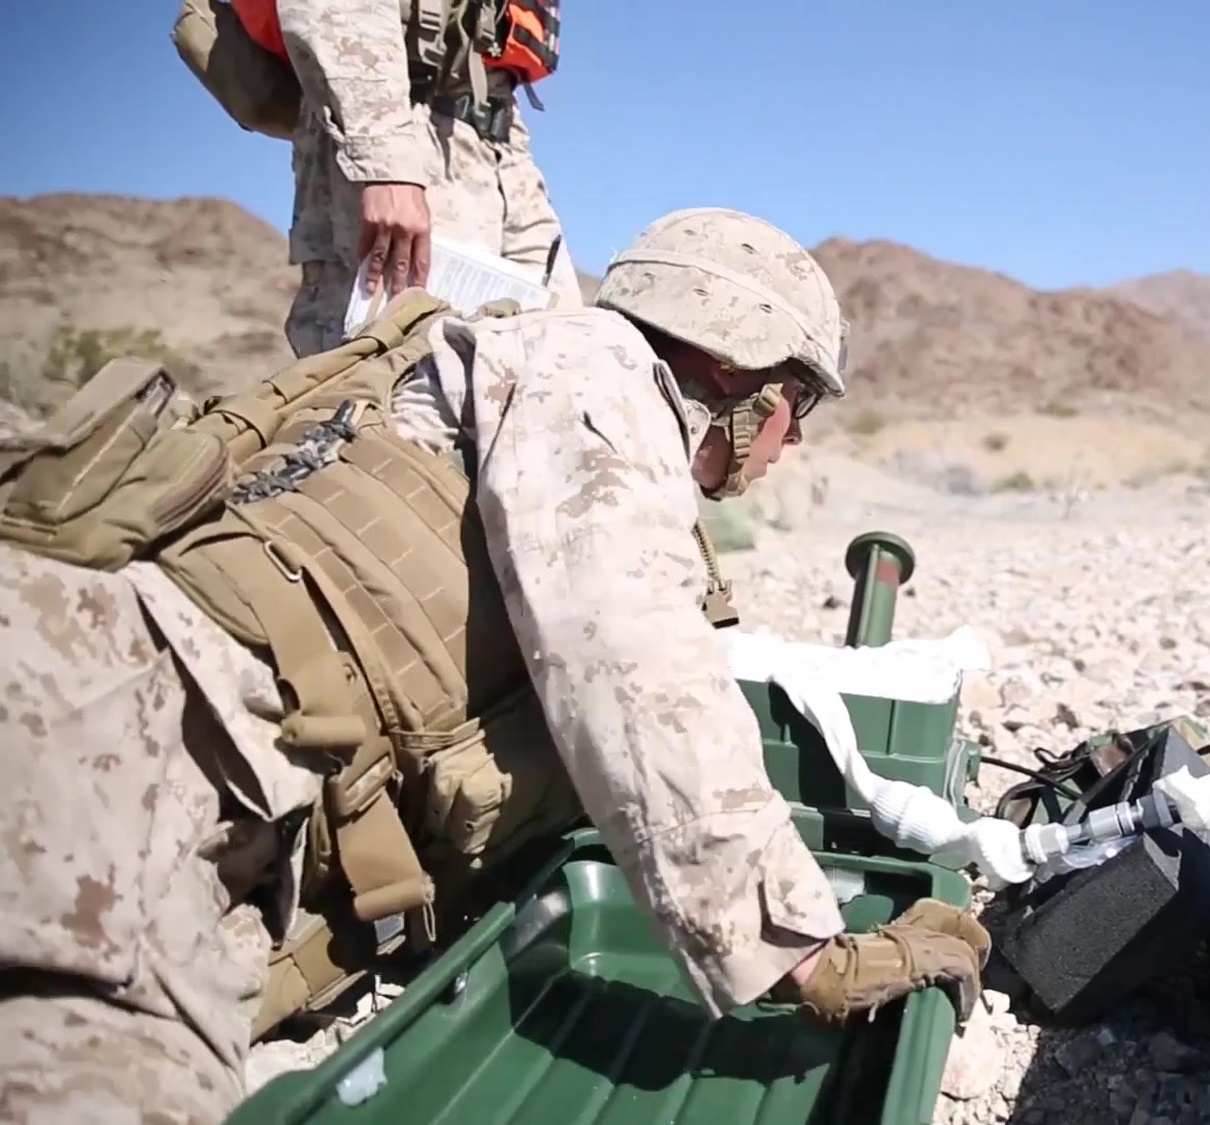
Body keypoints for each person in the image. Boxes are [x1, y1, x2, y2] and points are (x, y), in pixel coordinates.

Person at [0, 207, 986, 1123]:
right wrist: (804, 953)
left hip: (190, 787)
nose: (799, 437)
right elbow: (630, 660)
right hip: (129, 716)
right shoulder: (593, 367)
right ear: (740, 377)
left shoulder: (536, 395)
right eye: (799, 401)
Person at [259, 0, 586, 356]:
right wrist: (385, 161)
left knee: (564, 357)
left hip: (500, 138)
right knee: (394, 370)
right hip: (400, 120)